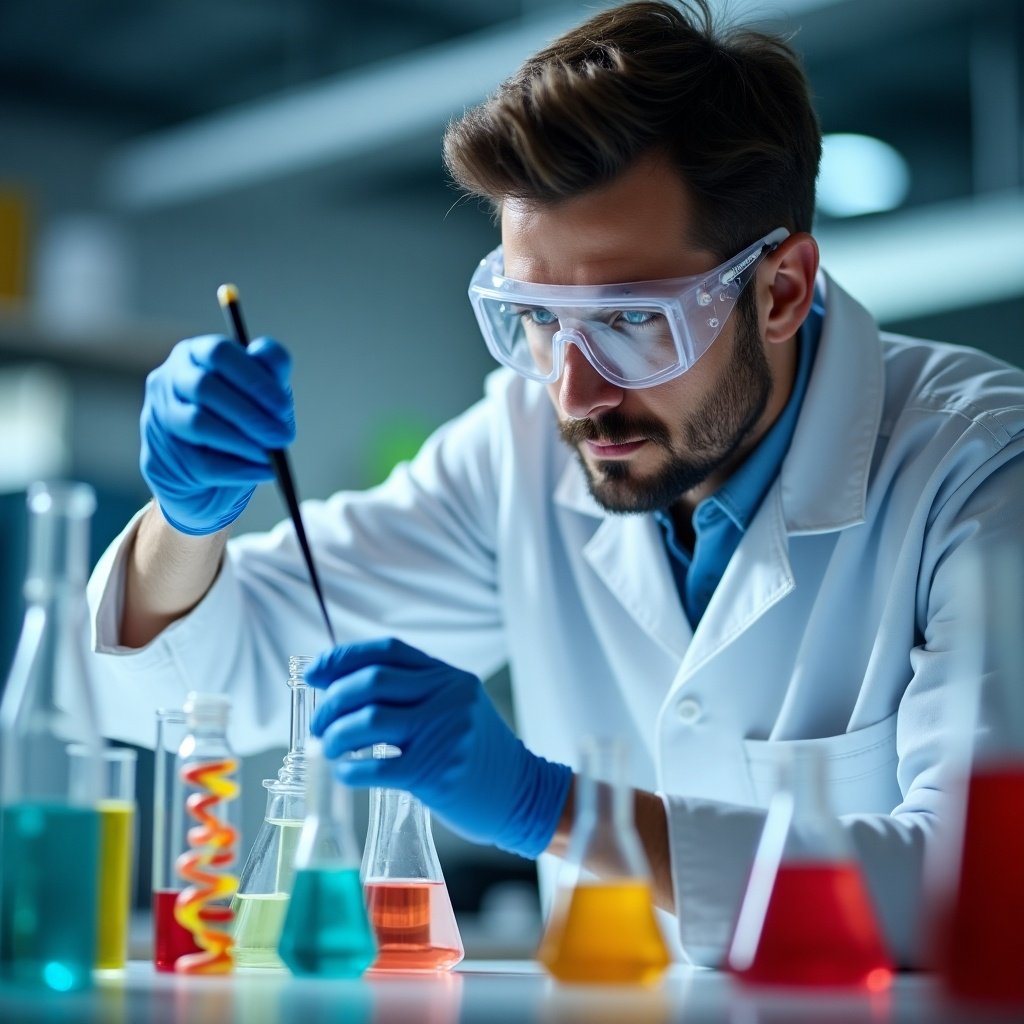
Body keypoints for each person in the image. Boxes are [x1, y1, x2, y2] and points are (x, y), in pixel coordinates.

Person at [86, 0, 1024, 967]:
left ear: (779, 288)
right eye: (536, 315)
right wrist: (187, 523)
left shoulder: (980, 473)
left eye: (630, 319)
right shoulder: (518, 448)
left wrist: (555, 807)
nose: (574, 390)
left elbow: (981, 890)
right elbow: (207, 684)